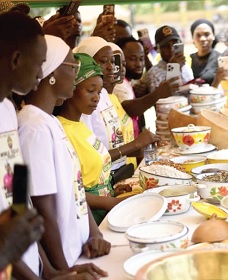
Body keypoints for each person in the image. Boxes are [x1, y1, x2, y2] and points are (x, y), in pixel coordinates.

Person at [18, 35, 111, 274]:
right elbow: (41, 207)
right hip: (65, 261)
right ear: (51, 73)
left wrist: (95, 233)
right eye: (73, 67)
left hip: (79, 252)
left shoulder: (49, 121)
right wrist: (62, 270)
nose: (77, 74)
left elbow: (74, 187)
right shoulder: (33, 126)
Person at [57, 53, 135, 225]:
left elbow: (93, 174)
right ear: (71, 88)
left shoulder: (81, 126)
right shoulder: (61, 130)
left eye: (99, 92)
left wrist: (110, 190)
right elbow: (70, 190)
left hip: (104, 211)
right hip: (89, 219)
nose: (96, 98)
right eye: (90, 91)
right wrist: (109, 202)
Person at [0, 11, 46, 279]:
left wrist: (45, 273)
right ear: (16, 59)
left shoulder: (9, 110)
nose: (41, 72)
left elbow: (19, 209)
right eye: (39, 63)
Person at [75, 36, 161, 176]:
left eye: (113, 61)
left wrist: (144, 146)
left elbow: (115, 141)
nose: (112, 67)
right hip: (102, 179)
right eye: (104, 61)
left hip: (119, 173)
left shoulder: (105, 95)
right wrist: (137, 144)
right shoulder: (86, 103)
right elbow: (94, 157)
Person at [146, 25, 194, 93]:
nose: (171, 49)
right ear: (157, 49)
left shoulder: (185, 67)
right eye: (165, 46)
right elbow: (160, 100)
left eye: (175, 45)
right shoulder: (154, 73)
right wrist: (173, 69)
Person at [190, 19, 220, 86]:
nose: (203, 39)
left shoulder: (221, 59)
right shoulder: (187, 60)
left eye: (207, 34)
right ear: (193, 38)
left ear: (213, 36)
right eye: (198, 35)